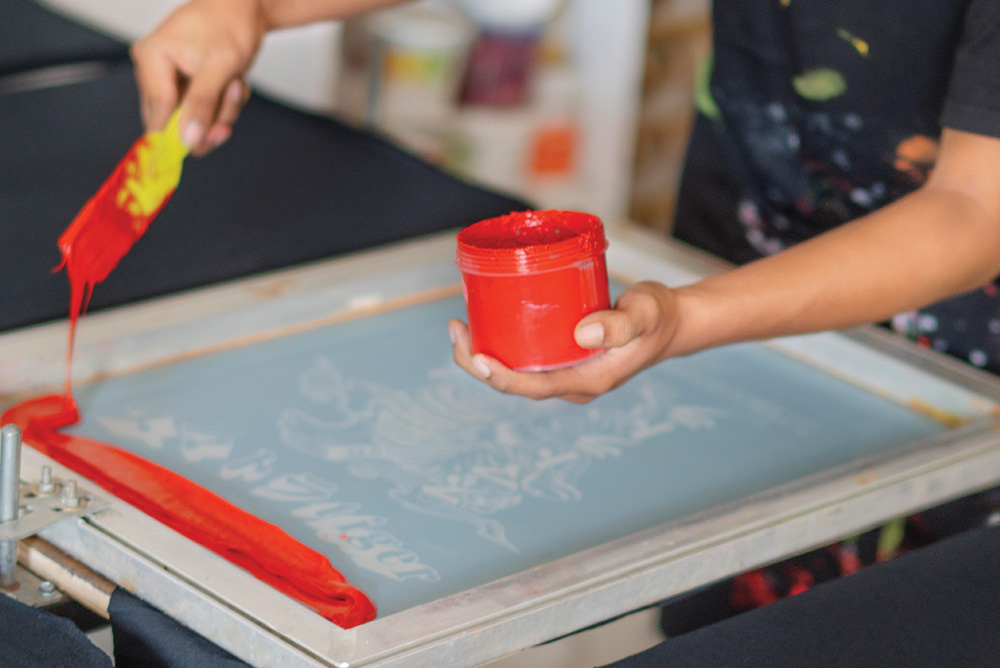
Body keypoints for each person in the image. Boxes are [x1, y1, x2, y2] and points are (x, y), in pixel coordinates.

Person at [134, 0, 1000, 630]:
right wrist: (254, 9)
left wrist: (683, 321)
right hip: (740, 290)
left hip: (956, 375)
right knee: (724, 608)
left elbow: (975, 212)